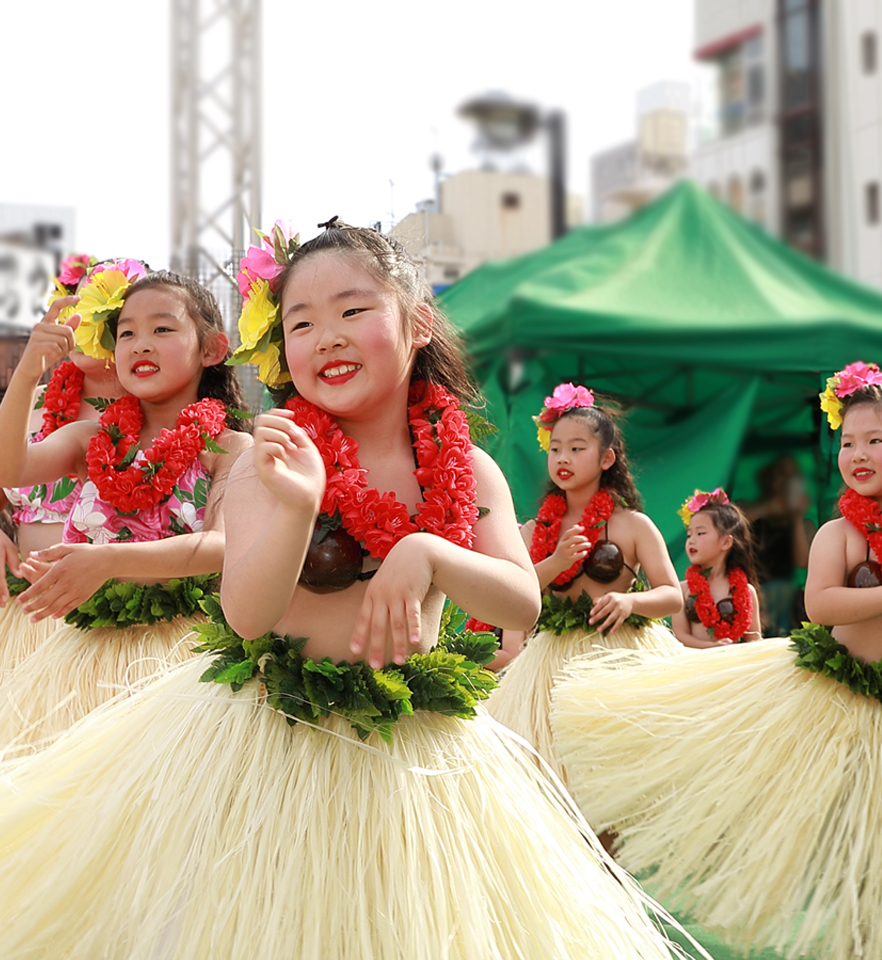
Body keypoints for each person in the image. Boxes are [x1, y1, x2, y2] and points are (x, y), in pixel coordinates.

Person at [0, 220, 701, 960]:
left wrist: (428, 551)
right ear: (282, 348)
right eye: (302, 322)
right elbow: (245, 614)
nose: (327, 335)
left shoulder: (469, 468)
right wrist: (300, 507)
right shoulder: (268, 459)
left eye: (353, 311)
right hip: (272, 744)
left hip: (412, 756)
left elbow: (517, 602)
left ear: (417, 322)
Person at [550, 361, 882, 960]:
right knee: (862, 863)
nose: (855, 453)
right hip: (843, 711)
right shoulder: (838, 533)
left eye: (874, 440)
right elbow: (825, 604)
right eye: (847, 442)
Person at [0, 262, 249, 755]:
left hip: (179, 658)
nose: (141, 343)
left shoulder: (230, 448)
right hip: (80, 653)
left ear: (212, 349)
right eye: (127, 333)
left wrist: (110, 561)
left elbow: (222, 546)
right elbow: (11, 470)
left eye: (162, 328)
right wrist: (29, 373)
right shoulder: (92, 438)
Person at [485, 382, 683, 781]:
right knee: (555, 775)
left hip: (617, 656)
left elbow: (672, 595)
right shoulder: (532, 531)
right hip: (550, 664)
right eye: (555, 448)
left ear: (607, 458)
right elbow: (515, 592)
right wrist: (555, 562)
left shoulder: (632, 526)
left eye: (577, 449)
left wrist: (631, 603)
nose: (563, 458)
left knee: (615, 769)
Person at [0, 254, 123, 671]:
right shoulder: (28, 403)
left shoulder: (162, 416)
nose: (84, 320)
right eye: (77, 305)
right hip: (24, 616)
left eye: (101, 309)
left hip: (114, 625)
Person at [671, 488, 763, 647]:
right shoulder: (681, 590)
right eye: (689, 535)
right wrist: (713, 648)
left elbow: (753, 639)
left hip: (734, 666)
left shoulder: (747, 591)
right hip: (697, 666)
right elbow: (680, 636)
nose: (691, 541)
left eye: (700, 533)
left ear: (726, 542)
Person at [740, 455, 813, 634]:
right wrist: (772, 506)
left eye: (792, 476)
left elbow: (802, 562)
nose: (786, 481)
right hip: (747, 592)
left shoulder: (805, 523)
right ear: (769, 478)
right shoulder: (746, 508)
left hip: (784, 602)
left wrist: (796, 518)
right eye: (781, 474)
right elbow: (733, 525)